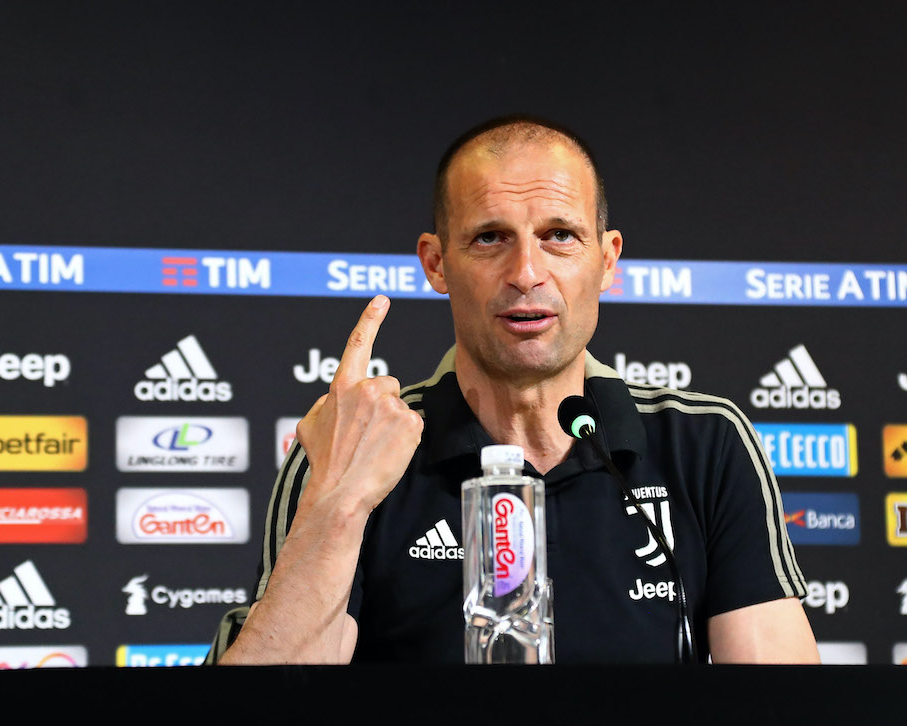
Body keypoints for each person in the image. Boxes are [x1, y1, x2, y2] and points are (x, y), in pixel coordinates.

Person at [207, 115, 819, 664]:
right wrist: (340, 504)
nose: (526, 273)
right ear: (436, 263)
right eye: (490, 237)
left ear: (608, 260)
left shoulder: (705, 442)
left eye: (560, 235)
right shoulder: (355, 445)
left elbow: (782, 708)